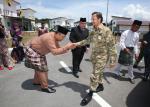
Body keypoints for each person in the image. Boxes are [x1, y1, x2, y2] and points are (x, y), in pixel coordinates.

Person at [74, 12, 117, 105]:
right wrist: (76, 44)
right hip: (94, 57)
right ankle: (100, 86)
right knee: (99, 73)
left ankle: (90, 93)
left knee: (94, 74)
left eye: (93, 19)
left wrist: (113, 60)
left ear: (99, 19)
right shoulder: (93, 30)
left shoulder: (106, 31)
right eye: (92, 19)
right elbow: (87, 40)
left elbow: (112, 46)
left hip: (102, 57)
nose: (92, 21)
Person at [24, 25, 75, 93]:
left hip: (38, 52)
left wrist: (68, 48)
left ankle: (36, 82)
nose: (63, 39)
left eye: (64, 37)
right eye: (62, 36)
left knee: (39, 68)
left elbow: (58, 48)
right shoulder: (49, 38)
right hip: (33, 51)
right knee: (43, 70)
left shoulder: (54, 36)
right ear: (57, 34)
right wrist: (66, 47)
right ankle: (44, 87)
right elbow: (55, 52)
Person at [114, 20, 142, 84]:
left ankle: (131, 77)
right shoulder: (125, 32)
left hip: (131, 50)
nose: (136, 28)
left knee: (130, 65)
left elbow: (135, 45)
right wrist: (125, 48)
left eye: (138, 27)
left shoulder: (137, 35)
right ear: (132, 25)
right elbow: (121, 42)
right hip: (124, 49)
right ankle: (116, 72)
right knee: (120, 62)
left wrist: (136, 53)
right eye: (136, 27)